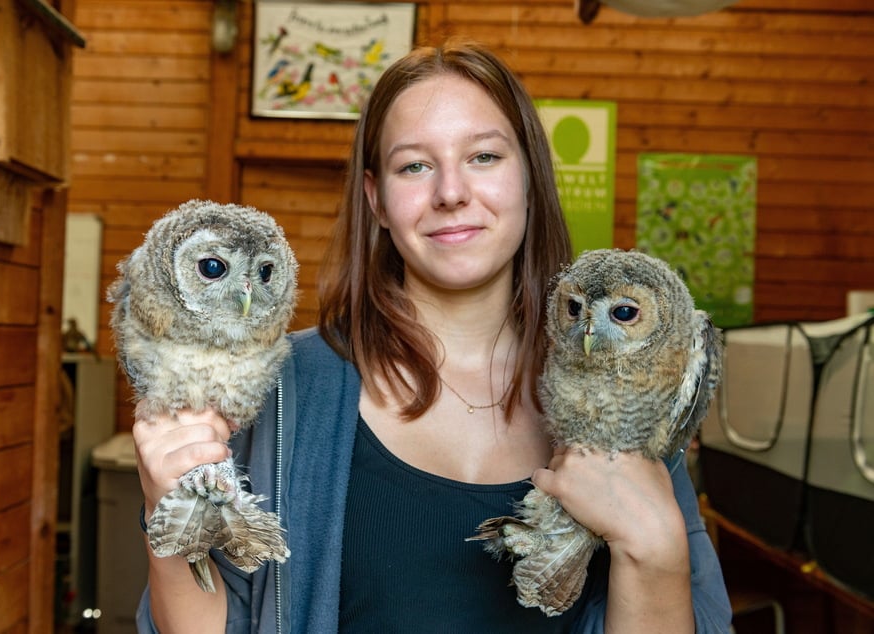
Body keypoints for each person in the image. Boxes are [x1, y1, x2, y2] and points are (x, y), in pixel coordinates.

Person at [133, 39, 732, 633]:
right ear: (377, 200)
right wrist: (165, 511)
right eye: (414, 165)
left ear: (530, 177)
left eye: (484, 157)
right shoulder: (284, 387)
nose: (450, 192)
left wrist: (654, 549)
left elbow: (698, 618)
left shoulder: (626, 393)